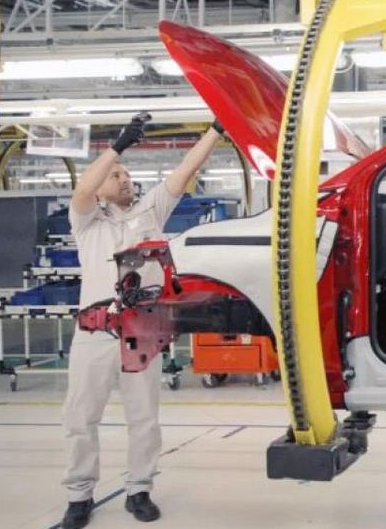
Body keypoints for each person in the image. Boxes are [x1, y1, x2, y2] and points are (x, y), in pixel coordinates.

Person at [60, 112, 222, 529]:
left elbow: (184, 173)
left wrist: (215, 131)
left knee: (144, 418)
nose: (124, 178)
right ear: (101, 186)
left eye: (127, 174)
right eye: (115, 175)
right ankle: (79, 495)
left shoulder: (150, 211)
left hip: (140, 334)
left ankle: (139, 490)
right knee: (81, 418)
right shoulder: (86, 222)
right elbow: (82, 189)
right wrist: (117, 146)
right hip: (94, 333)